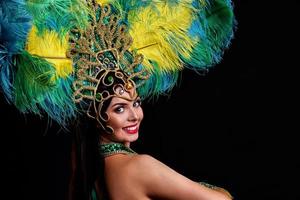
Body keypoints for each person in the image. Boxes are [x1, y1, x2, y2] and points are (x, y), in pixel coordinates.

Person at [0, 0, 236, 199]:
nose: (135, 115)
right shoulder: (138, 167)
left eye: (135, 103)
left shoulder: (85, 167)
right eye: (120, 109)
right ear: (96, 116)